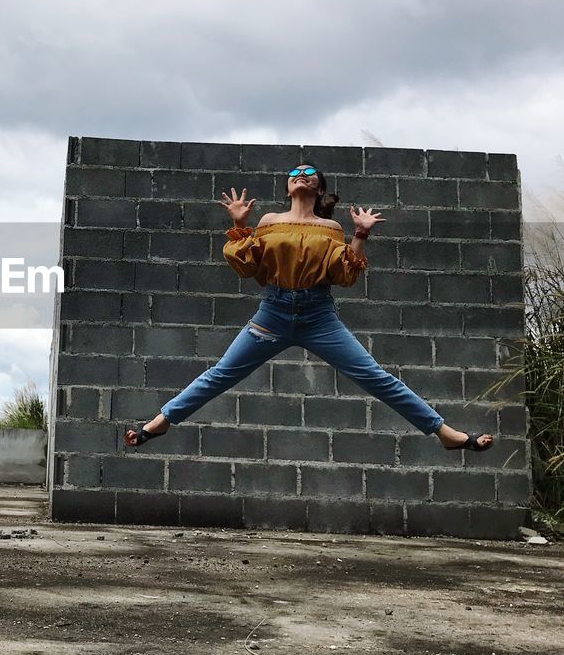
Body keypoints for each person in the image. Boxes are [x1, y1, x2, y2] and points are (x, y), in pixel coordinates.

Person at [124, 162, 494, 453]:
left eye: (308, 174)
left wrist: (360, 235)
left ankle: (444, 433)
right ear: (288, 187)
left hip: (319, 316)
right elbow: (247, 267)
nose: (301, 176)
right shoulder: (269, 222)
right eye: (294, 173)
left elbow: (344, 275)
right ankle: (159, 423)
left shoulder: (331, 227)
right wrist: (240, 225)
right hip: (273, 313)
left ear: (319, 187)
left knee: (376, 378)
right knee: (222, 373)